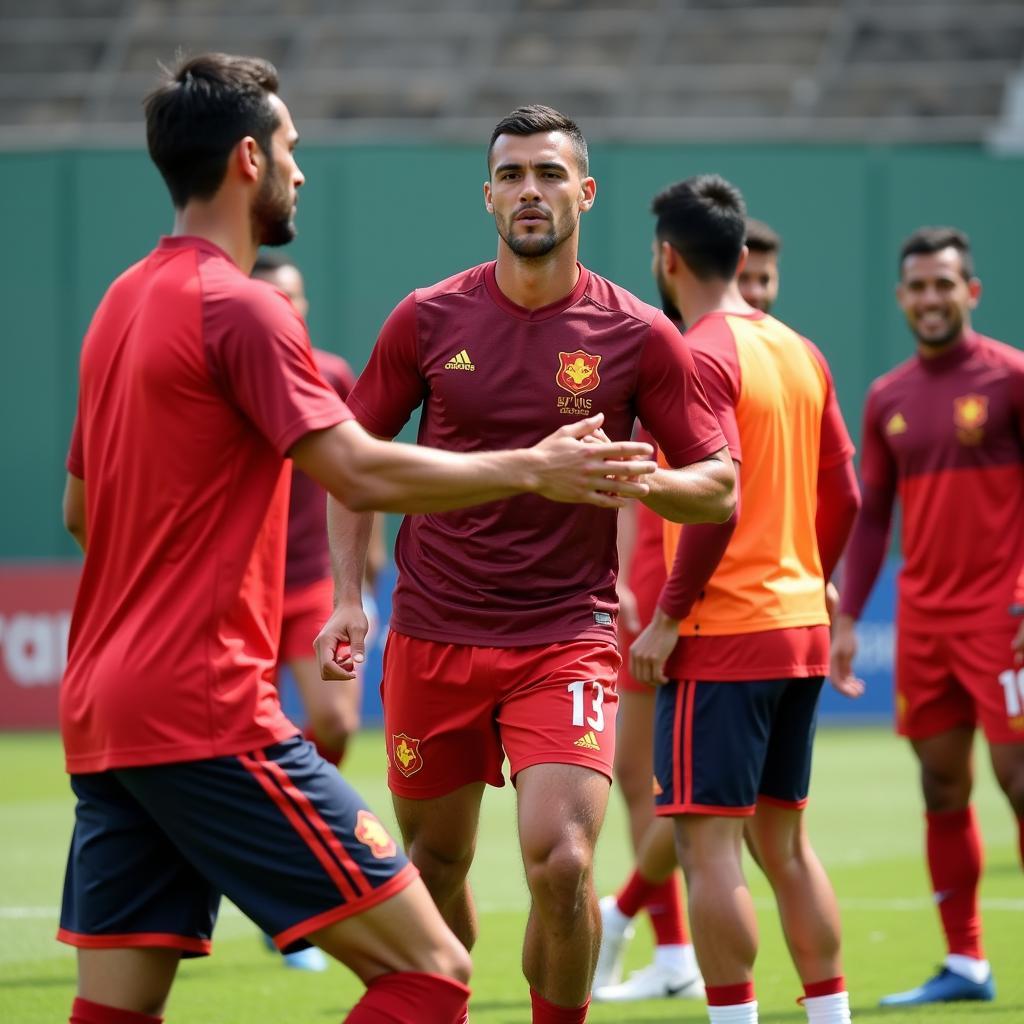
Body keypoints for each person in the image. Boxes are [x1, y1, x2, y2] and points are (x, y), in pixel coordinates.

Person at [57, 55, 662, 1024]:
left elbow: (80, 514)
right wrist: (530, 467)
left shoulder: (118, 304)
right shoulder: (244, 308)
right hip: (206, 706)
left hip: (103, 713)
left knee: (116, 1008)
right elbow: (360, 467)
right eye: (292, 149)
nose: (303, 171)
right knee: (431, 972)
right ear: (248, 159)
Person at [315, 105, 736, 1024]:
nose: (530, 192)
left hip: (566, 637)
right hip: (432, 632)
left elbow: (720, 487)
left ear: (585, 192)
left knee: (564, 860)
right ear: (488, 197)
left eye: (549, 174)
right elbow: (347, 461)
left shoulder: (636, 333)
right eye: (512, 176)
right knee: (435, 866)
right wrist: (350, 597)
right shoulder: (427, 319)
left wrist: (644, 482)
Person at [598, 175, 860, 1023]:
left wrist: (669, 617)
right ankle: (830, 1014)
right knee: (785, 846)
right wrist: (815, 570)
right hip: (800, 628)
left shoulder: (695, 355)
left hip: (723, 634)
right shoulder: (801, 350)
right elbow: (846, 498)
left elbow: (719, 504)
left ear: (664, 259)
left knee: (709, 850)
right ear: (743, 257)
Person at [596, 212, 789, 1003]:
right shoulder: (664, 355)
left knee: (710, 805)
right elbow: (627, 478)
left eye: (769, 279)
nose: (759, 291)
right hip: (658, 586)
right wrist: (618, 575)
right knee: (649, 784)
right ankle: (671, 948)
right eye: (752, 275)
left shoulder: (772, 360)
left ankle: (634, 917)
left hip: (734, 604)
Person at [832, 226, 1024, 1006]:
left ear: (970, 292)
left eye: (945, 284)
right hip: (924, 624)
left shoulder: (1011, 378)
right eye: (917, 286)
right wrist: (847, 615)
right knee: (941, 789)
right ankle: (967, 965)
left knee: (1019, 782)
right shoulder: (888, 396)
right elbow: (874, 515)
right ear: (901, 298)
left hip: (1003, 615)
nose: (931, 299)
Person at [250, 251, 386, 973]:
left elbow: (361, 471)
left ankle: (279, 835)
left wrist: (364, 572)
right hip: (239, 590)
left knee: (334, 721)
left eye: (295, 298)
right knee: (240, 741)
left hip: (309, 584)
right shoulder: (228, 374)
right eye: (272, 298)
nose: (286, 309)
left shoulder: (333, 375)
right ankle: (278, 893)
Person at [737, 218, 781, 314]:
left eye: (764, 280)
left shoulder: (781, 329)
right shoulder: (698, 328)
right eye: (742, 278)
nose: (755, 293)